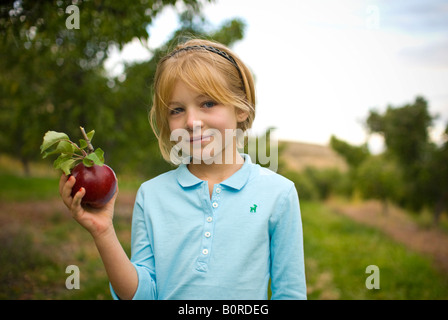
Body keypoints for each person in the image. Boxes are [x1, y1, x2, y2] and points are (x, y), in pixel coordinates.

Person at [59, 38, 307, 300]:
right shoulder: (152, 195)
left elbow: (290, 294)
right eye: (177, 110)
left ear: (242, 107)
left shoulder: (278, 193)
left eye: (208, 103)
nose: (191, 121)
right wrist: (104, 232)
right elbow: (143, 295)